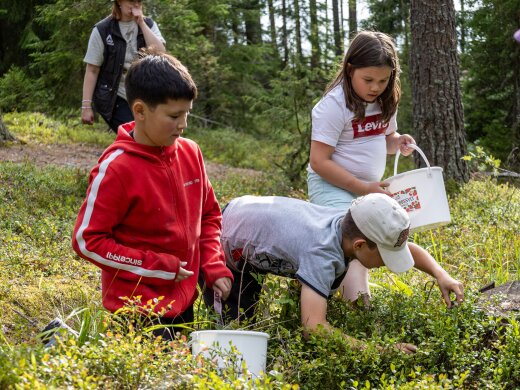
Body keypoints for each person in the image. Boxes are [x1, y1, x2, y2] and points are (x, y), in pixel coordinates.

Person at [72, 49, 233, 341]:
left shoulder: (190, 152)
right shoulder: (117, 168)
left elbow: (209, 214)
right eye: (174, 116)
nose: (183, 124)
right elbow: (87, 240)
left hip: (185, 301)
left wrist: (213, 264)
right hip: (135, 309)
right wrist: (157, 267)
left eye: (187, 113)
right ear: (140, 111)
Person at [203, 193, 463, 354]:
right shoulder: (322, 254)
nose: (387, 263)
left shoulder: (349, 223)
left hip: (251, 217)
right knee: (234, 335)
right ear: (360, 245)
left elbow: (408, 248)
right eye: (385, 257)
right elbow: (313, 328)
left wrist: (441, 275)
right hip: (223, 243)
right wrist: (380, 350)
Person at [307, 31, 416, 304]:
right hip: (332, 185)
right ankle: (358, 304)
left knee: (372, 237)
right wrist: (362, 188)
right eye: (368, 80)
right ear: (349, 69)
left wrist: (398, 142)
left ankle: (349, 295)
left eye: (383, 80)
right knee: (354, 239)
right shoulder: (333, 106)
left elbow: (384, 139)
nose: (375, 87)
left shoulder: (384, 101)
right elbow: (319, 161)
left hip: (366, 190)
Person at [81, 0, 166, 132]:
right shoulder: (102, 30)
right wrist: (86, 107)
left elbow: (160, 53)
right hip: (114, 96)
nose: (136, 4)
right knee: (135, 135)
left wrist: (141, 24)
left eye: (139, 1)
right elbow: (92, 70)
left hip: (144, 95)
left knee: (151, 136)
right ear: (119, 2)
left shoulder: (148, 24)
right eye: (132, 1)